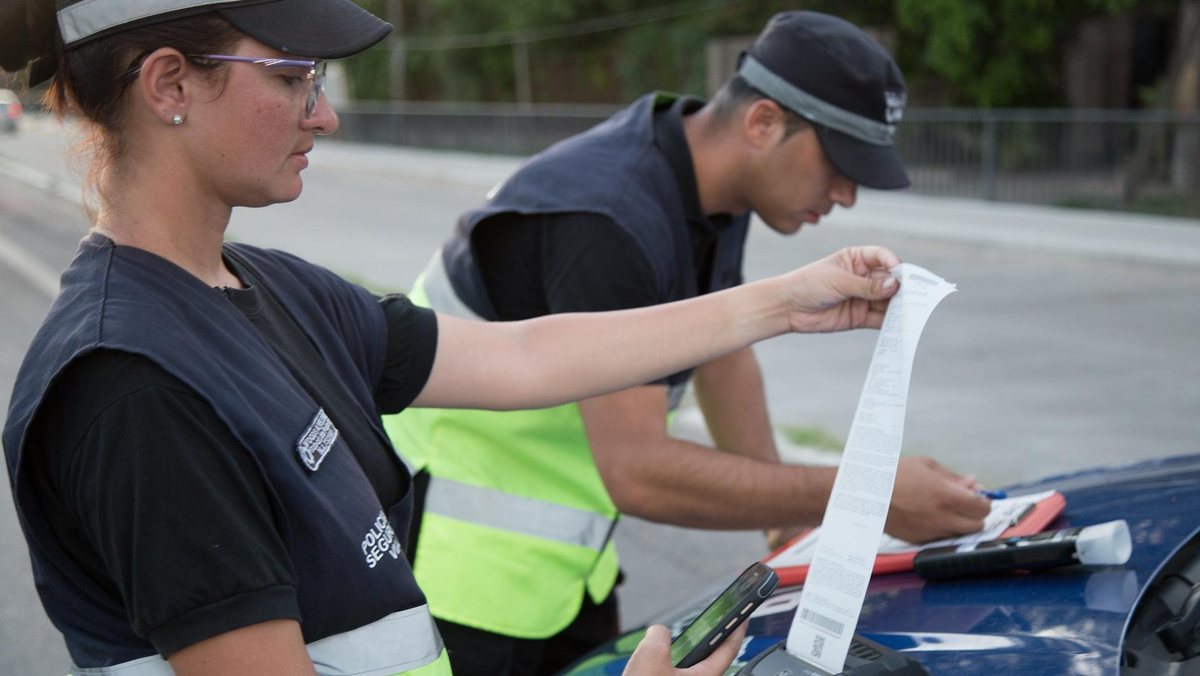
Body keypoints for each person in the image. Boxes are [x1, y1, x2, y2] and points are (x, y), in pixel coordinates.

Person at [0, 1, 906, 674]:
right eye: (291, 79)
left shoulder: (272, 286)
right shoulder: (133, 386)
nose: (325, 115)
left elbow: (524, 356)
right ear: (169, 84)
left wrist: (789, 301)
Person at [382, 11, 993, 675]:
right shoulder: (607, 218)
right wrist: (863, 493)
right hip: (459, 580)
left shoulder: (705, 187)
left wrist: (787, 533)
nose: (846, 195)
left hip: (564, 572)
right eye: (840, 163)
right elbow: (638, 470)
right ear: (762, 123)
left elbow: (724, 357)